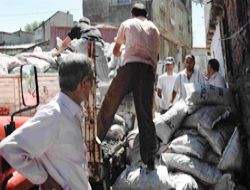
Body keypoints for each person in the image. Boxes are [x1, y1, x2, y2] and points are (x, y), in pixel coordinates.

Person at [0, 53, 93, 190]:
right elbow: (9, 148)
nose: (92, 87)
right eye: (92, 81)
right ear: (84, 83)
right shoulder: (54, 115)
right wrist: (44, 178)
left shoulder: (69, 112)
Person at [96, 2, 160, 170]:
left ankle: (95, 142)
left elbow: (116, 51)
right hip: (147, 73)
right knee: (145, 116)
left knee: (109, 104)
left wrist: (124, 50)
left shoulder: (127, 23)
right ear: (146, 15)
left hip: (130, 69)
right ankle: (150, 159)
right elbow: (156, 56)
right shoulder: (155, 29)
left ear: (133, 14)